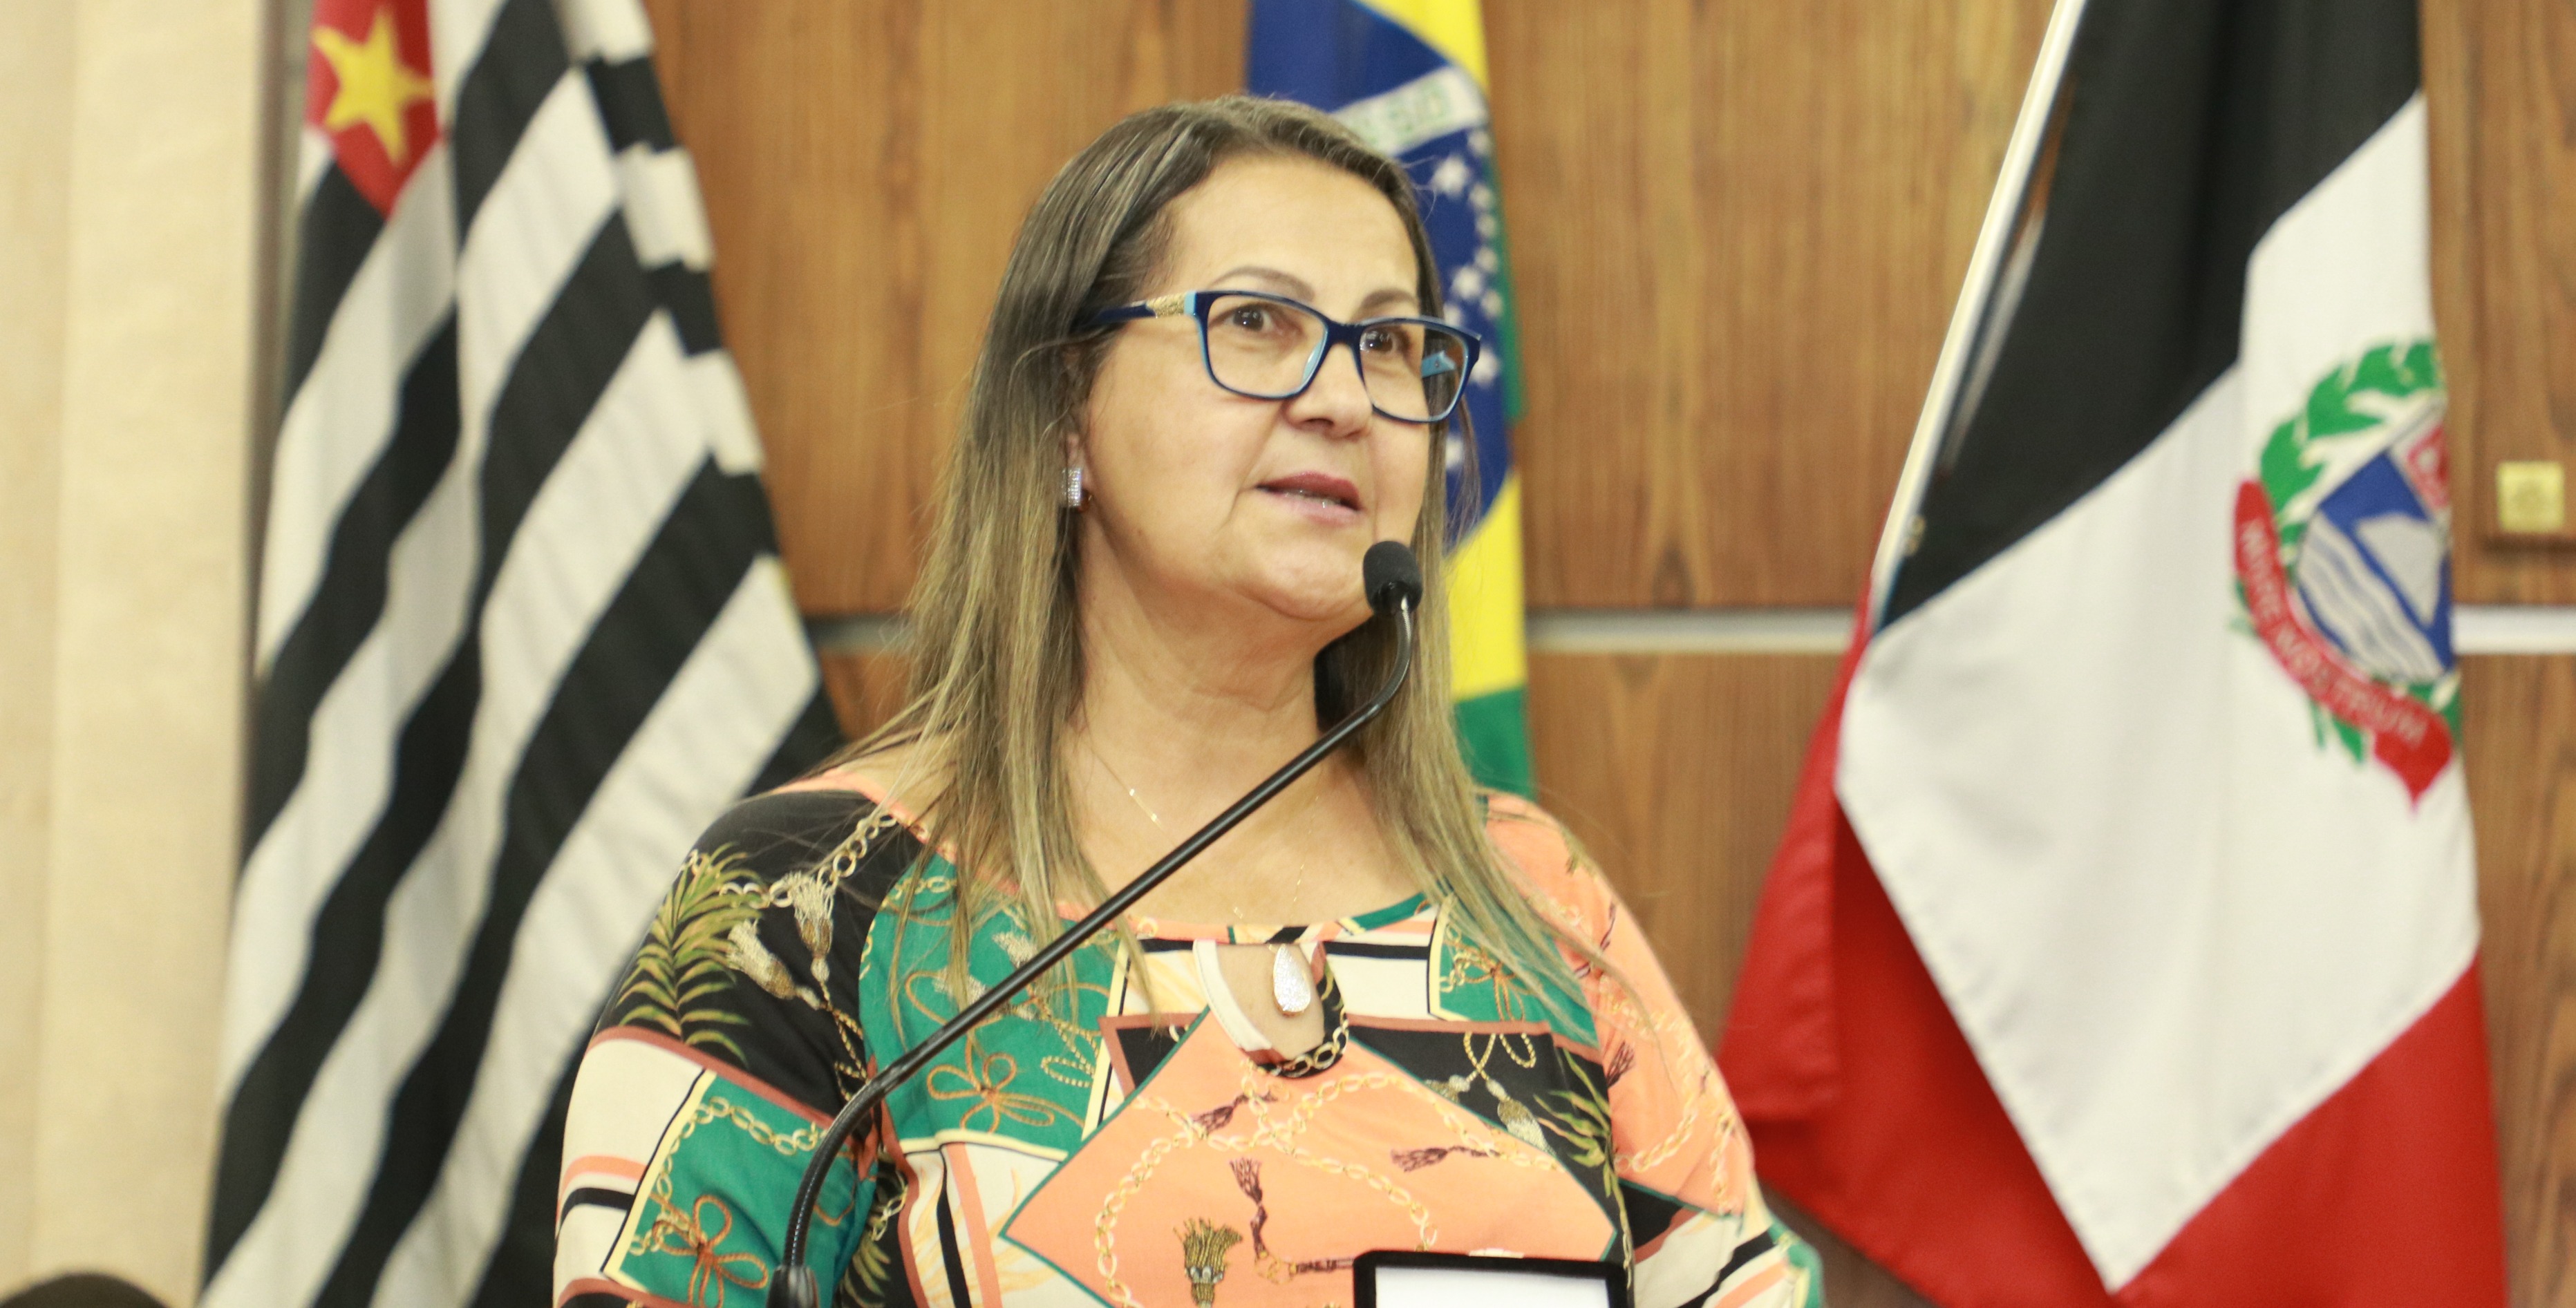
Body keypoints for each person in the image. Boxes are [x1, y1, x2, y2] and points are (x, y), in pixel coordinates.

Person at [554, 97, 1820, 1307]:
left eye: (1390, 344)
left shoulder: (1535, 905)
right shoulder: (807, 908)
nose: (1343, 400)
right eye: (1258, 321)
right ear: (1066, 405)